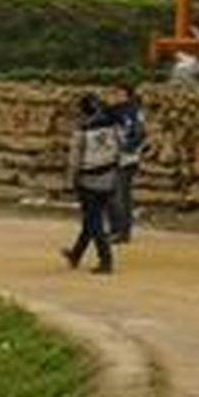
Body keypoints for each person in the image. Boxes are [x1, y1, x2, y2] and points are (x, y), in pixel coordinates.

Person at [64, 92, 121, 274]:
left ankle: (106, 260)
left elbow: (74, 159)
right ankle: (76, 254)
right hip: (110, 177)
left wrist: (70, 180)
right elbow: (121, 146)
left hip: (89, 180)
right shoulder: (113, 125)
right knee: (92, 219)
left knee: (94, 220)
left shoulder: (82, 130)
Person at [107, 84, 147, 245]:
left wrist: (125, 149)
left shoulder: (133, 112)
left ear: (127, 95)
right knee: (114, 194)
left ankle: (121, 231)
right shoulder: (115, 111)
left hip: (127, 158)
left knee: (120, 195)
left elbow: (139, 133)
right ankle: (116, 229)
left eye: (120, 93)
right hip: (114, 157)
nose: (116, 95)